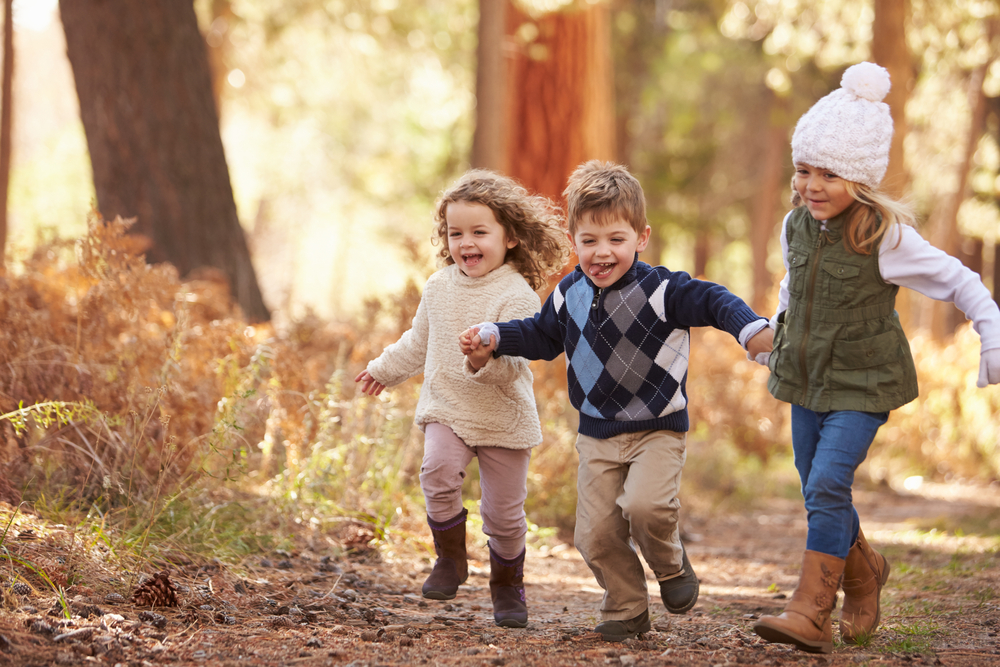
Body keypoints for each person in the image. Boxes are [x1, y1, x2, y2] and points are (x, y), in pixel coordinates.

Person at [460, 161, 774, 641]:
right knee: (595, 534)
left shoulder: (662, 291)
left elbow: (713, 300)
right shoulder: (569, 294)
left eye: (615, 240)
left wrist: (750, 329)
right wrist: (494, 335)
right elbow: (542, 337)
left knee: (647, 507)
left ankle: (670, 565)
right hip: (597, 433)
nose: (601, 253)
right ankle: (626, 606)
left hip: (657, 426)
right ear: (574, 241)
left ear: (641, 237)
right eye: (589, 241)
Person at [752, 62, 1000, 654]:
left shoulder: (884, 235)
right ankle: (865, 573)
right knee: (817, 486)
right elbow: (795, 289)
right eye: (803, 170)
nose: (812, 185)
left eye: (830, 174)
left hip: (863, 382)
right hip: (807, 377)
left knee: (829, 480)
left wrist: (992, 336)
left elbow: (961, 282)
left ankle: (810, 610)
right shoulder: (797, 226)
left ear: (860, 179)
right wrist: (774, 338)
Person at [355, 170, 570, 628]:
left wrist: (481, 360)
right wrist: (382, 370)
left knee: (505, 518)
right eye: (456, 233)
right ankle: (450, 559)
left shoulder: (517, 295)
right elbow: (417, 342)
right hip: (447, 407)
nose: (466, 243)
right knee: (435, 472)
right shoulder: (439, 286)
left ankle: (507, 585)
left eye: (479, 232)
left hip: (503, 417)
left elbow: (514, 368)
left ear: (510, 236)